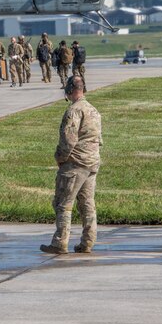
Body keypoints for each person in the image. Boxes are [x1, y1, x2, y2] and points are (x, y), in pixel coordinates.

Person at [41, 75, 103, 255]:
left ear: (70, 89)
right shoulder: (93, 110)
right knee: (87, 204)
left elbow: (68, 140)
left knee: (63, 204)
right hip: (92, 162)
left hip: (75, 164)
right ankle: (88, 242)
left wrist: (60, 158)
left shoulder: (74, 111)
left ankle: (60, 242)